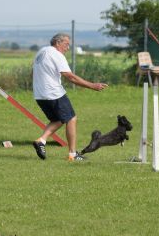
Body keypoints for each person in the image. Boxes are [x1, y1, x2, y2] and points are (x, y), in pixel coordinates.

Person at [32, 33, 108, 161]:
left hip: (39, 94)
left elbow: (32, 71)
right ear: (57, 43)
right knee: (71, 118)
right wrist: (92, 85)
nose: (68, 48)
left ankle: (41, 140)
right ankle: (72, 154)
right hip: (53, 93)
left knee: (58, 119)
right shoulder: (57, 54)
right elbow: (70, 76)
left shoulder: (41, 52)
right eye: (66, 44)